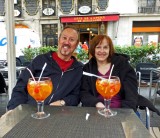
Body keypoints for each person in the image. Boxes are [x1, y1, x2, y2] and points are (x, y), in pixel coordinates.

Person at [80, 35, 160, 115]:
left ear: (110, 49)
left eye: (105, 47)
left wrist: (123, 112)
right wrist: (96, 103)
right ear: (93, 49)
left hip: (122, 110)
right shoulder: (88, 68)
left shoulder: (123, 66)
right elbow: (84, 93)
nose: (102, 51)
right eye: (98, 47)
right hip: (96, 110)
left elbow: (131, 94)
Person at [7, 26, 83, 110]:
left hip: (57, 115)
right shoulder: (41, 60)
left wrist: (63, 102)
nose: (67, 42)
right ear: (59, 40)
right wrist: (13, 110)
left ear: (76, 44)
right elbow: (20, 87)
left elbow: (76, 96)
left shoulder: (78, 69)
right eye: (64, 38)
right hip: (31, 111)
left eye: (71, 40)